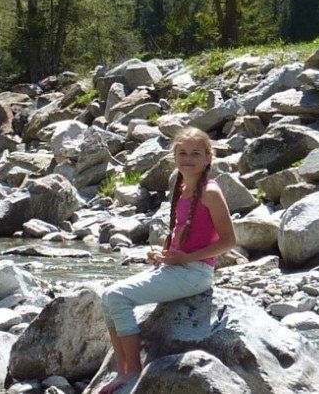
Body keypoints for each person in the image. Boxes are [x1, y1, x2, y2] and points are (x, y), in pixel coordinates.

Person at [92, 127, 239, 393]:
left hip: (196, 273)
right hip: (178, 268)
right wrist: (166, 254)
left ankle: (132, 373)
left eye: (195, 153)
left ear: (208, 158)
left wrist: (187, 258)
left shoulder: (210, 192)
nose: (188, 159)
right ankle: (121, 370)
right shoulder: (182, 188)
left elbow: (229, 241)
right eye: (182, 153)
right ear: (174, 156)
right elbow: (183, 231)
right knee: (107, 298)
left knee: (117, 297)